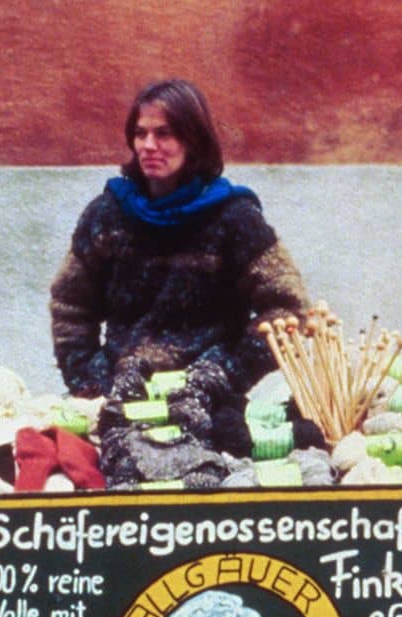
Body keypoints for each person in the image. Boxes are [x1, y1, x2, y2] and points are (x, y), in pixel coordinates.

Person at [50, 79, 309, 398]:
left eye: (164, 134)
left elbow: (287, 310)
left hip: (208, 402)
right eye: (140, 133)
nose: (148, 145)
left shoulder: (234, 219)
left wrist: (225, 376)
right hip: (118, 394)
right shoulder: (107, 215)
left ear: (194, 140)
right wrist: (90, 382)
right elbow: (70, 304)